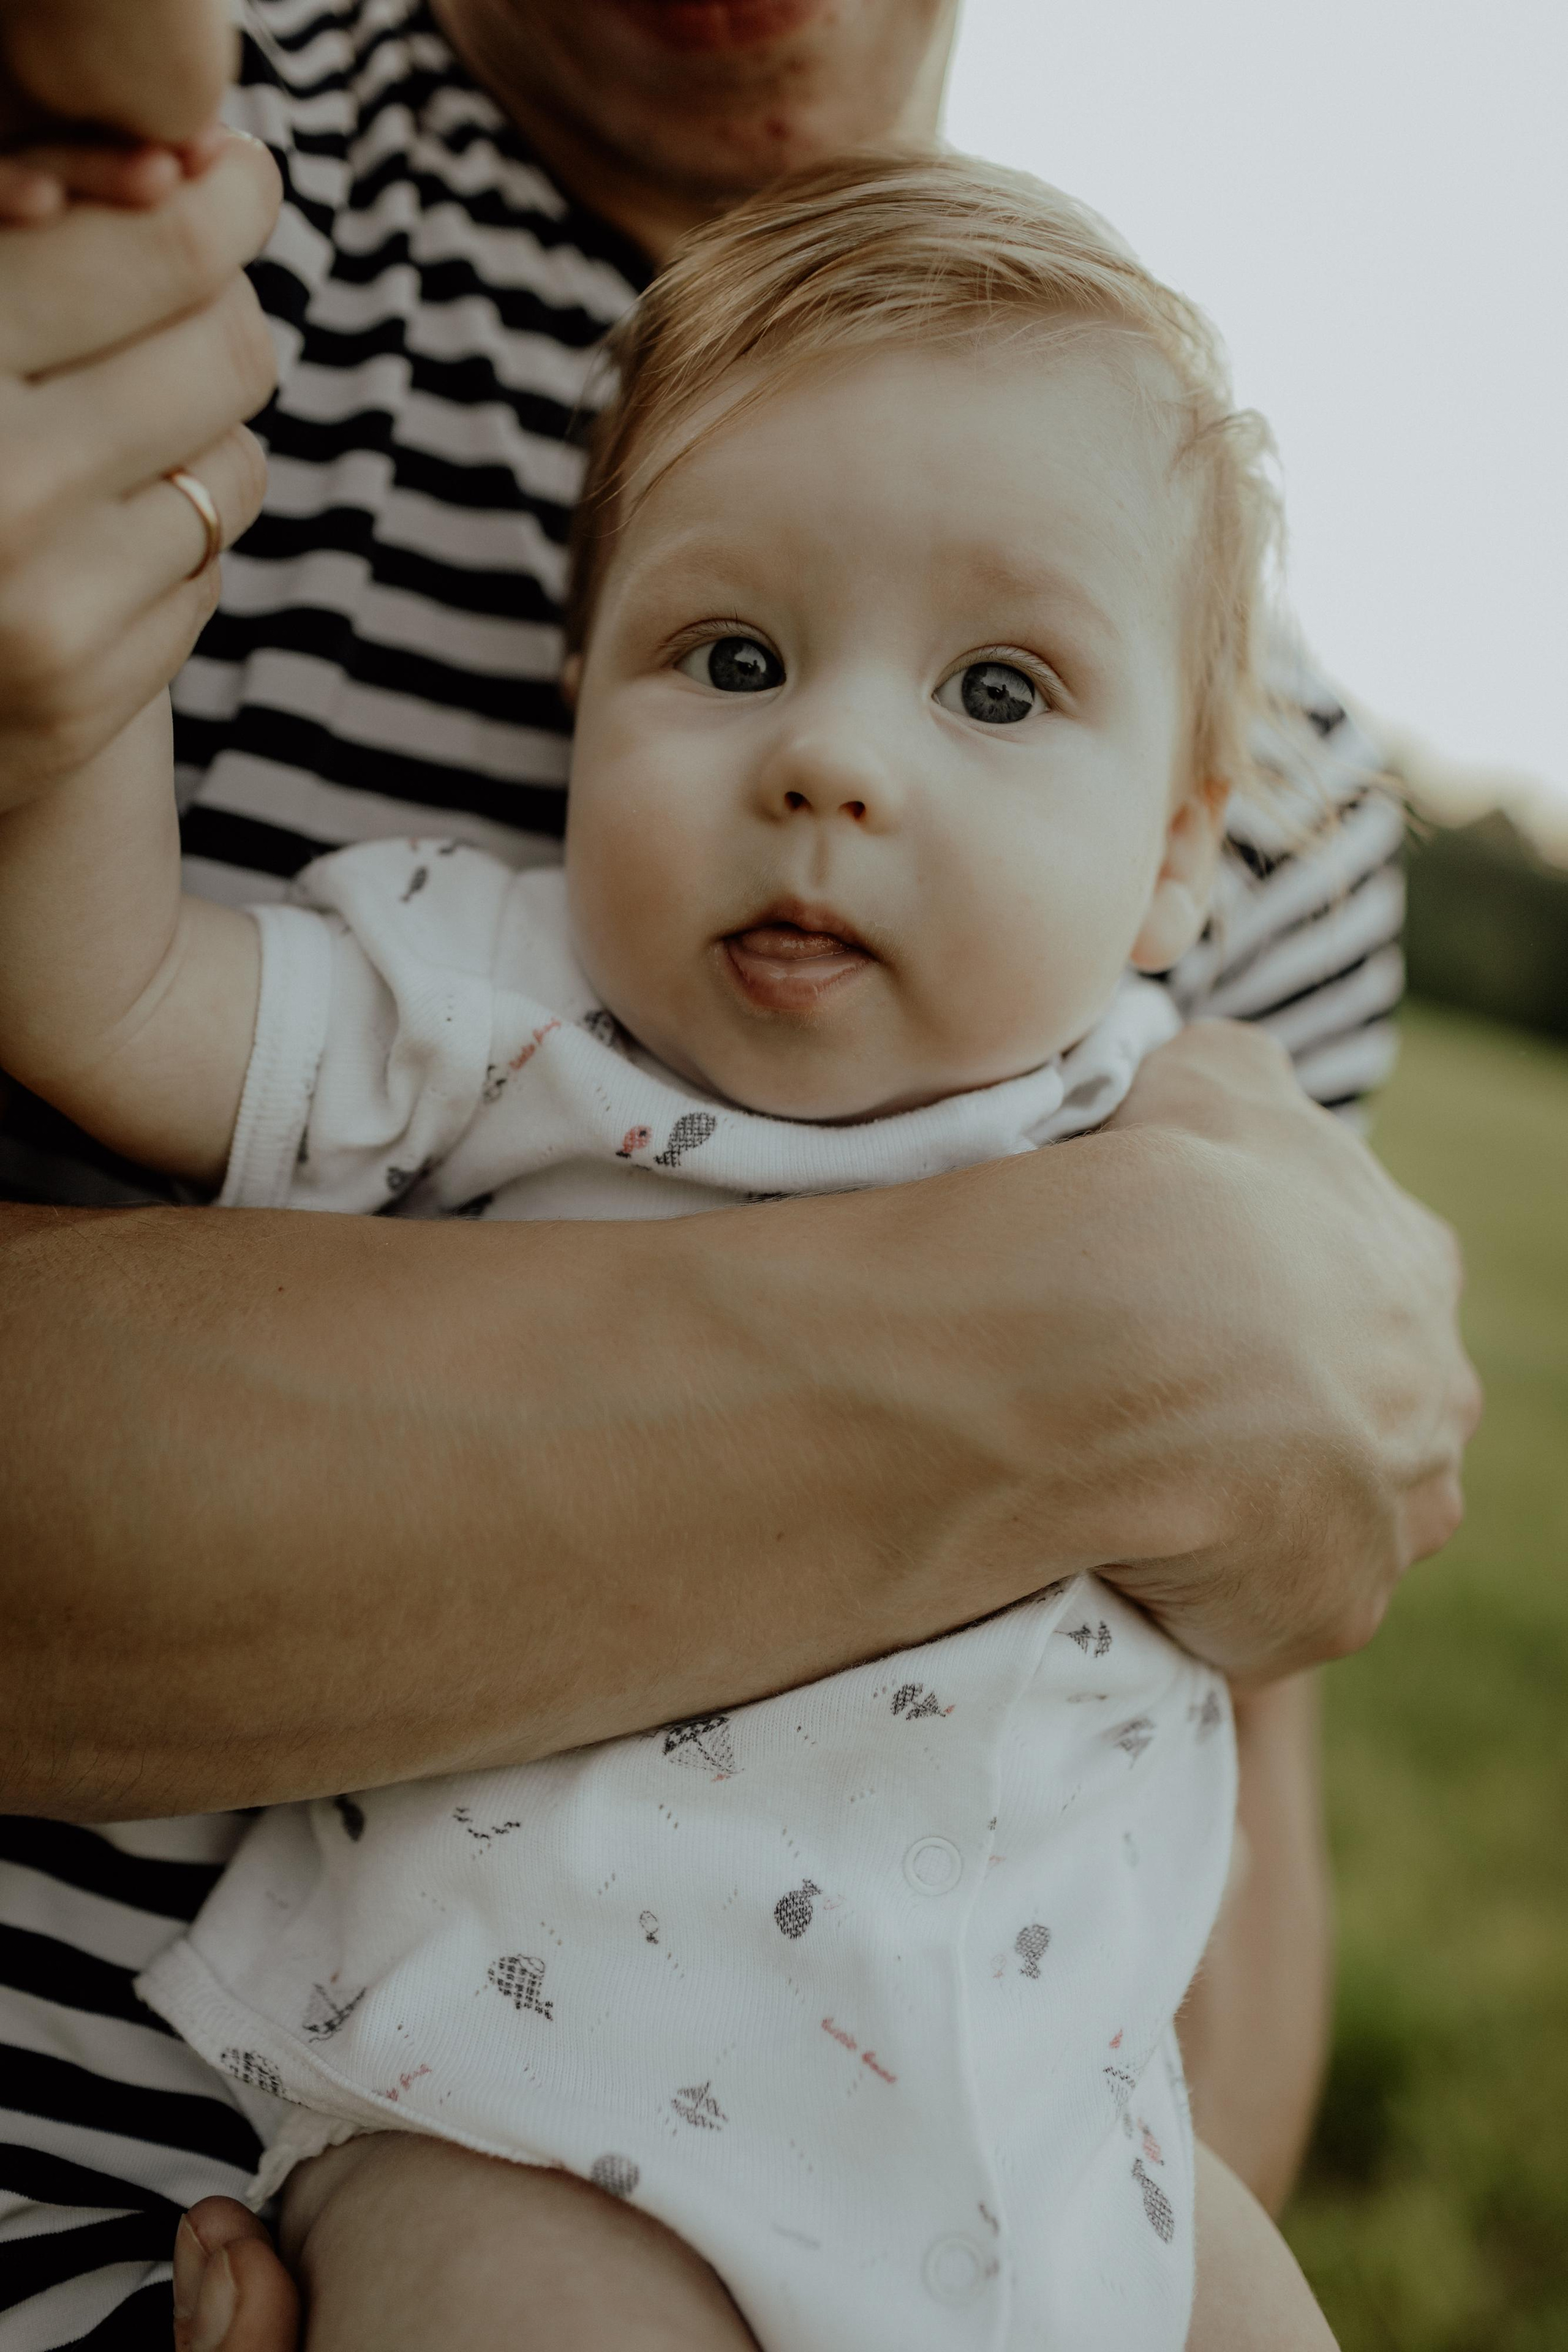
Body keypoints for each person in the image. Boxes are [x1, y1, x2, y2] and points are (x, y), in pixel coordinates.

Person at [0, 4, 1477, 2346]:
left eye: (994, 693)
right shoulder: (513, 1012)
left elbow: (1257, 1724)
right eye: (730, 653)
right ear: (574, 684)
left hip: (1043, 2138)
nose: (829, 765)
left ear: (1188, 842)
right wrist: (64, 716)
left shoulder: (1182, 1083)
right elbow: (109, 1002)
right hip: (534, 2103)